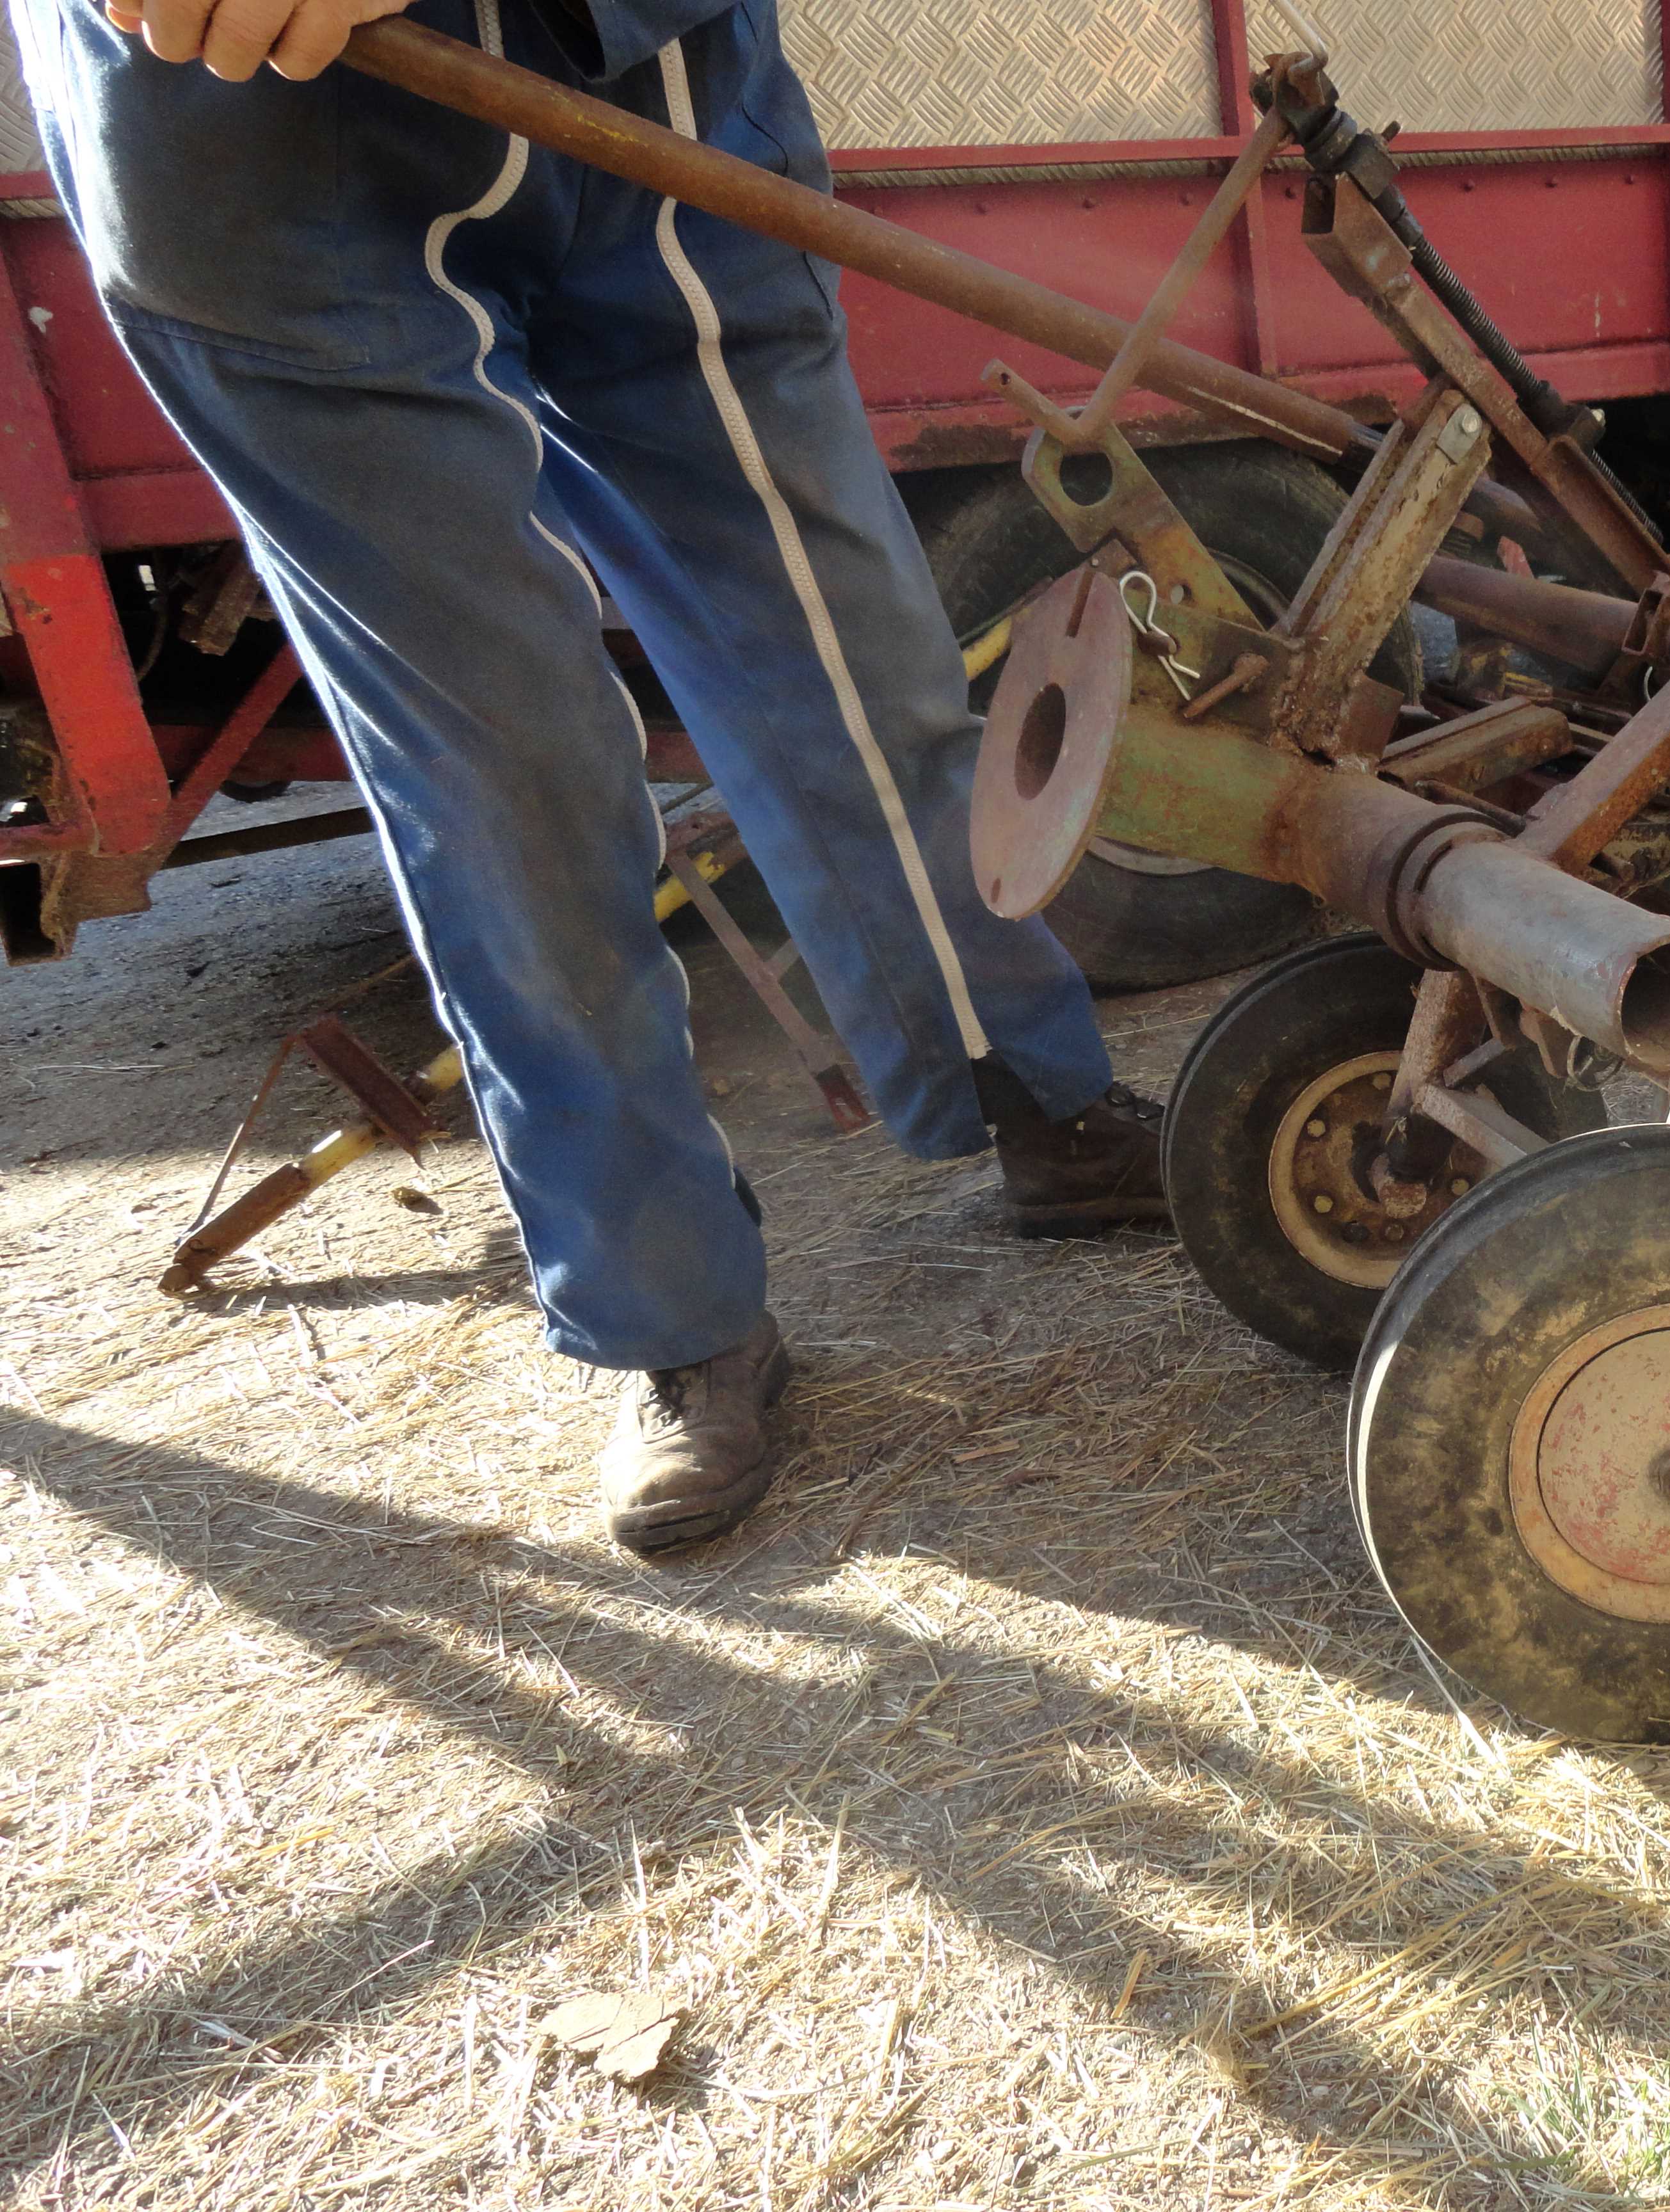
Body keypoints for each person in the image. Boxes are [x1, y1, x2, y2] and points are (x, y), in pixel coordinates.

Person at [17, 0, 1169, 1553]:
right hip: (242, 130)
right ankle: (673, 1316)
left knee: (840, 645)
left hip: (641, 60)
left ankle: (1022, 1086)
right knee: (501, 772)